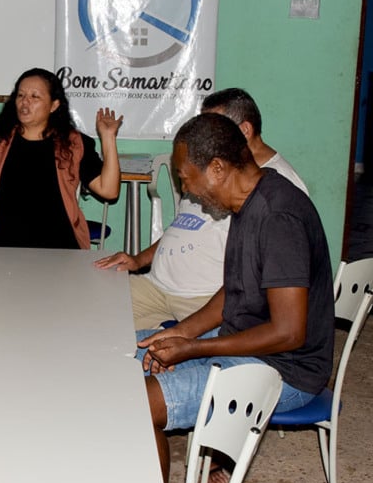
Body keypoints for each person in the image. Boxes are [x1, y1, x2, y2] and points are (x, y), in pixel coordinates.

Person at [135, 113, 334, 483]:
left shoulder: (278, 217)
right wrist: (182, 333)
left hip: (287, 370)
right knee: (123, 359)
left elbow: (289, 332)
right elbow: (235, 289)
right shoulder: (249, 201)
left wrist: (193, 349)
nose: (185, 190)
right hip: (250, 344)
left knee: (138, 402)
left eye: (185, 177)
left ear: (217, 168)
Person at [95, 88, 309, 329]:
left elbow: (277, 307)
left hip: (205, 300)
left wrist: (185, 335)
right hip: (156, 287)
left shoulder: (277, 190)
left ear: (244, 131)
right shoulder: (205, 169)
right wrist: (137, 260)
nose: (202, 136)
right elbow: (182, 228)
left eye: (213, 126)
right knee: (92, 312)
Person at [0, 67, 123, 249]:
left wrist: (108, 138)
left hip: (59, 248)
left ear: (54, 105)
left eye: (35, 97)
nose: (25, 102)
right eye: (21, 95)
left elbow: (109, 191)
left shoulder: (74, 144)